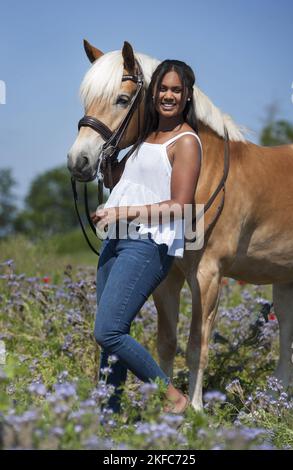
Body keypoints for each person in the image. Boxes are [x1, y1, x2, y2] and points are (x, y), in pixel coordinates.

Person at [91, 59, 202, 414]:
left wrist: (120, 212)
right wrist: (104, 153)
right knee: (111, 341)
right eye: (162, 89)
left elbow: (180, 206)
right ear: (152, 93)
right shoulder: (144, 137)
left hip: (148, 244)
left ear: (186, 97)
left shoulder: (186, 142)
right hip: (115, 241)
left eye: (176, 90)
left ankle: (173, 397)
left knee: (108, 331)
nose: (168, 96)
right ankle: (107, 421)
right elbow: (115, 181)